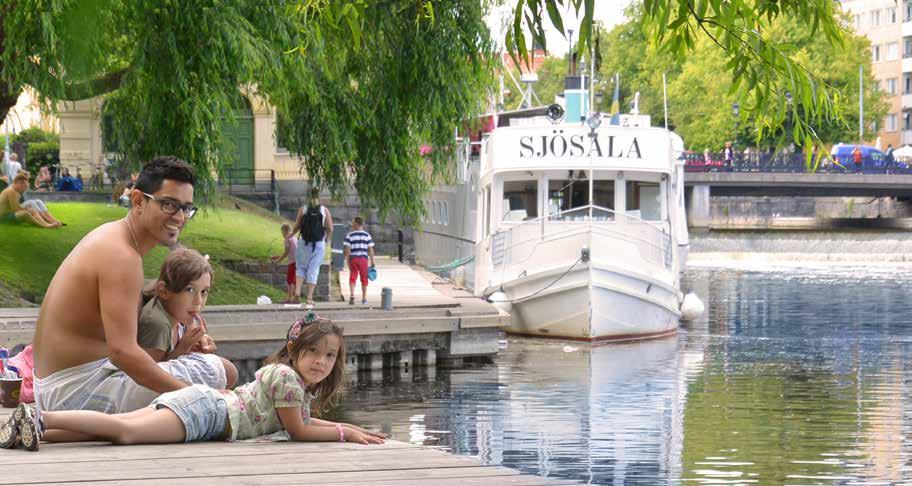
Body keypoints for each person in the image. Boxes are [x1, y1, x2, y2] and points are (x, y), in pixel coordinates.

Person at [2, 313, 386, 451]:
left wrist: (348, 427)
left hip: (205, 407)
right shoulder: (286, 378)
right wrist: (343, 434)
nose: (321, 361)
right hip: (206, 414)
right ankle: (41, 419)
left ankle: (31, 432)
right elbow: (299, 431)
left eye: (330, 355)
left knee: (114, 432)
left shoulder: (290, 384)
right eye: (314, 352)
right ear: (294, 349)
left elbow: (300, 421)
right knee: (124, 431)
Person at [31, 156, 209, 414]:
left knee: (206, 375)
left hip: (64, 385)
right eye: (169, 205)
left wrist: (180, 349)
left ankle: (59, 427)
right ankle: (57, 426)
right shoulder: (121, 255)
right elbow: (122, 353)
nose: (180, 217)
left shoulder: (115, 239)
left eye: (186, 208)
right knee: (217, 373)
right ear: (138, 200)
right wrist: (192, 395)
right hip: (75, 392)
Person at [138, 248, 238, 389]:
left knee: (227, 372)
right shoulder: (158, 325)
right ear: (164, 291)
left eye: (204, 292)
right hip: (145, 391)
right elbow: (146, 377)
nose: (198, 301)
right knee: (226, 373)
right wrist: (184, 346)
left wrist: (199, 342)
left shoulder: (179, 311)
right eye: (190, 290)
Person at [290, 187, 333, 306]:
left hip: (303, 243)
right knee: (313, 270)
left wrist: (291, 235)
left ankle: (297, 293)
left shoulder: (303, 209)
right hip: (318, 244)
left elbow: (297, 227)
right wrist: (327, 240)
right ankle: (309, 298)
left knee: (301, 268)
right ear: (319, 196)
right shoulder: (324, 210)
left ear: (307, 196)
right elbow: (330, 228)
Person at [343, 216, 376, 305]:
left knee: (352, 276)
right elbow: (370, 249)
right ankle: (364, 298)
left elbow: (347, 250)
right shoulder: (367, 235)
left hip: (353, 259)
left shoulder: (349, 235)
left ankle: (352, 295)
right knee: (364, 278)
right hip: (363, 259)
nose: (351, 224)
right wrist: (373, 262)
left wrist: (347, 261)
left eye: (353, 223)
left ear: (357, 224)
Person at [271, 223, 298, 304]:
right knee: (294, 281)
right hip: (298, 262)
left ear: (284, 230)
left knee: (290, 280)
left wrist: (277, 261)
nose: (282, 234)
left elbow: (286, 253)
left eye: (281, 232)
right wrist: (278, 257)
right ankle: (293, 298)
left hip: (292, 263)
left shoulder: (287, 238)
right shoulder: (294, 238)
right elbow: (291, 252)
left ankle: (289, 299)